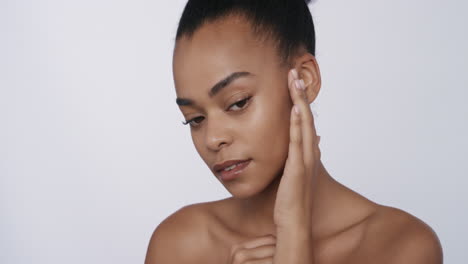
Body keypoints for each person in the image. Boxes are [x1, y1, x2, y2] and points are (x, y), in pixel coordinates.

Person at [145, 0, 443, 263]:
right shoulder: (180, 246)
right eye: (195, 119)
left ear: (304, 79)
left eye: (238, 103)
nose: (212, 138)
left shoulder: (401, 247)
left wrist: (293, 232)